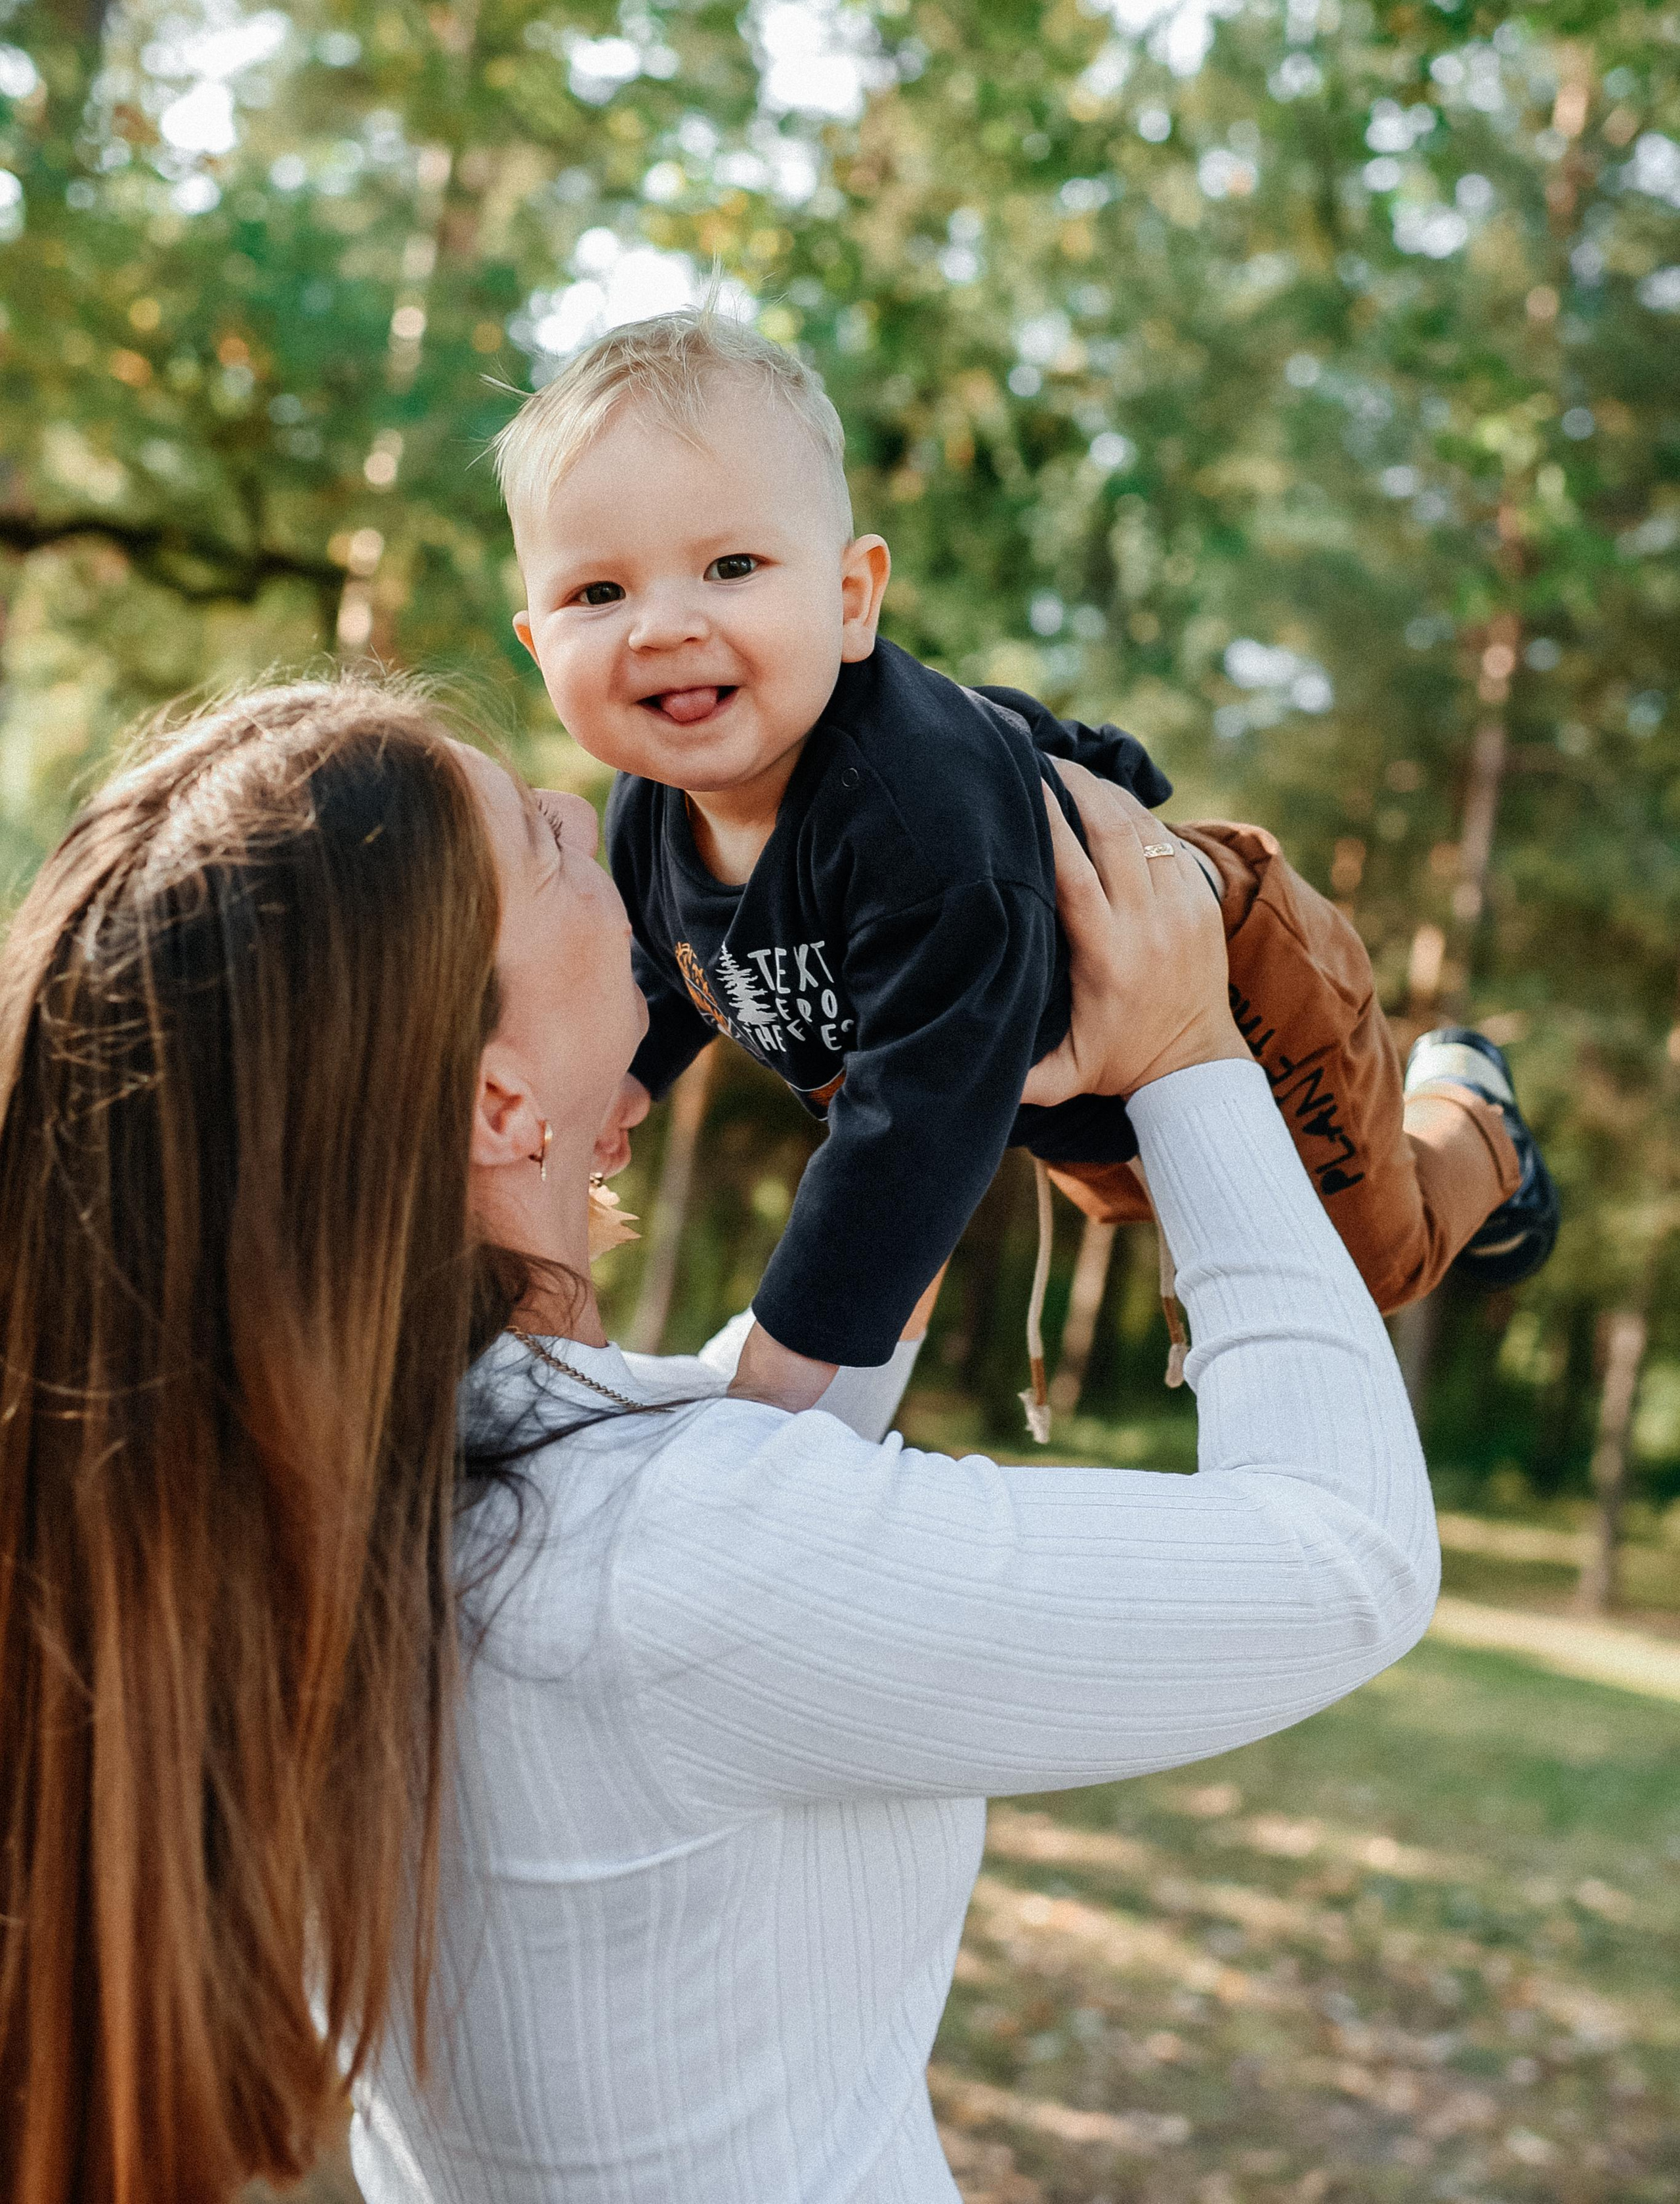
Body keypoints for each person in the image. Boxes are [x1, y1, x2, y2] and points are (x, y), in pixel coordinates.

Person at [0, 672, 1438, 2204]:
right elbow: (1342, 1552)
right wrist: (1183, 1061)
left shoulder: (331, 1496)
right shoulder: (644, 1571)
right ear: (500, 1102)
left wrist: (923, 1091)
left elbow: (722, 1449)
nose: (588, 807)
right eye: (540, 847)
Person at [497, 309, 1559, 1423]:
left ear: (851, 600)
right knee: (1122, 1201)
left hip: (1226, 982)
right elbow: (672, 973)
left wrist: (768, 1405)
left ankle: (1471, 1115)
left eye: (731, 566)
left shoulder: (912, 825)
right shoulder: (647, 809)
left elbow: (908, 1139)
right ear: (538, 642)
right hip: (1048, 1079)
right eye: (599, 594)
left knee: (1360, 1267)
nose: (663, 628)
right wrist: (624, 1080)